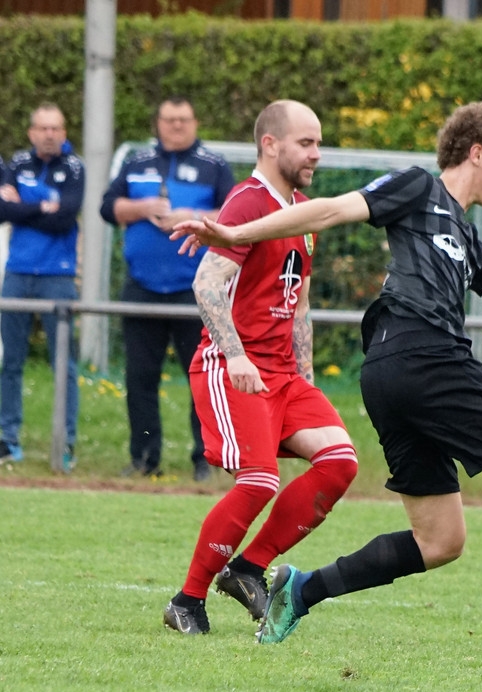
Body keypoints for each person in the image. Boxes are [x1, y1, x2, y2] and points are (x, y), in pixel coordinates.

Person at [174, 101, 482, 656]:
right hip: (427, 356)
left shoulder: (467, 239)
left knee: (440, 541)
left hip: (391, 376)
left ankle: (301, 591)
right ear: (476, 153)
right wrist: (231, 232)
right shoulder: (416, 188)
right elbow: (331, 211)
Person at [161, 100, 359, 635]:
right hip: (232, 369)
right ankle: (186, 601)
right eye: (306, 143)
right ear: (270, 144)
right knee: (259, 480)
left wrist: (305, 378)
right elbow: (206, 284)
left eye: (318, 143)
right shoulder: (248, 203)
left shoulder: (303, 211)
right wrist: (236, 355)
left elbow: (301, 303)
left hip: (283, 375)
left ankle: (247, 568)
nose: (316, 154)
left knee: (339, 462)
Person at [100, 97, 235, 481]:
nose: (176, 126)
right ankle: (145, 459)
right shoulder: (137, 162)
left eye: (183, 120)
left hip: (196, 290)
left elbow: (235, 215)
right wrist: (142, 209)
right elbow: (107, 208)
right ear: (158, 123)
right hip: (142, 287)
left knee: (203, 380)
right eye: (170, 120)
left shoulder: (213, 165)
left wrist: (192, 217)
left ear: (195, 123)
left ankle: (206, 460)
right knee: (140, 377)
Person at [0, 103, 84, 472]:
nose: (49, 135)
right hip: (17, 272)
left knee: (64, 364)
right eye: (43, 128)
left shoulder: (75, 167)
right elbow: (3, 212)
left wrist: (25, 206)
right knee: (11, 361)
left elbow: (66, 217)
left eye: (56, 128)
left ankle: (65, 442)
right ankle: (8, 438)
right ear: (31, 132)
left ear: (64, 133)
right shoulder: (18, 163)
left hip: (58, 276)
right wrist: (44, 207)